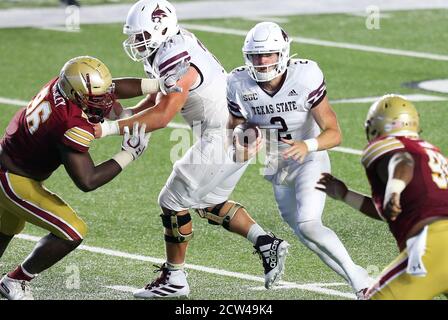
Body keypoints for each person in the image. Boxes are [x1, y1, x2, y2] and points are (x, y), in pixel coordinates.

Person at [96, 0, 289, 299]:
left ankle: (175, 278)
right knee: (208, 201)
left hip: (225, 134)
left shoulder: (177, 58)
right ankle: (265, 242)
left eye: (142, 35)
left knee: (172, 200)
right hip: (236, 130)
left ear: (161, 30)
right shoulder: (171, 46)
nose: (137, 42)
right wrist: (129, 114)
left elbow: (161, 117)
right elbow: (162, 93)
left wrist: (107, 129)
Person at [226, 22, 371, 297]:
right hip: (276, 166)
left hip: (309, 159)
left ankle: (361, 284)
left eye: (268, 54)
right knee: (307, 235)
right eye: (256, 55)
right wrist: (241, 140)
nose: (262, 61)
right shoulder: (237, 82)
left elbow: (335, 133)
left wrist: (308, 144)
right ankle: (359, 275)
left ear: (283, 53)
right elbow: (233, 126)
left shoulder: (304, 75)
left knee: (309, 224)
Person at [0, 56, 155, 300]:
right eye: (96, 98)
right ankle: (16, 280)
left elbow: (111, 87)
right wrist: (128, 154)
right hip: (12, 178)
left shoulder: (63, 85)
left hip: (12, 162)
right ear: (77, 95)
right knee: (73, 231)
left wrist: (157, 85)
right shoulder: (69, 124)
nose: (105, 100)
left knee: (7, 226)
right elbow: (87, 181)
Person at [316, 94, 448, 299]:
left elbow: (401, 161)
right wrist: (346, 195)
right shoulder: (433, 153)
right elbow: (387, 212)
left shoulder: (390, 145)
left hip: (433, 245)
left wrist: (394, 191)